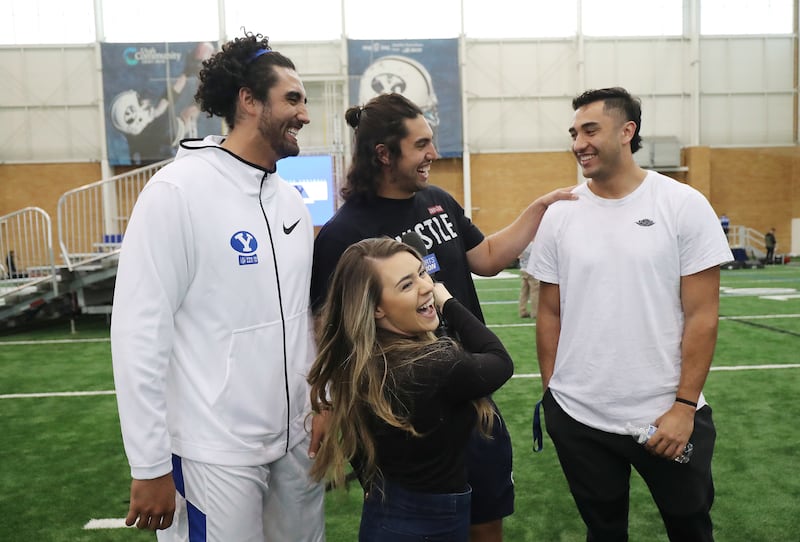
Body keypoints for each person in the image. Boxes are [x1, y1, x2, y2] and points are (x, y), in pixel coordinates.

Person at [310, 92, 575, 542]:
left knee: (486, 518)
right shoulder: (345, 234)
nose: (433, 153)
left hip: (471, 393)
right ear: (384, 154)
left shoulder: (438, 200)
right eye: (421, 145)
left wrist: (539, 209)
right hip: (407, 420)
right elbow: (327, 329)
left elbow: (488, 257)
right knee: (419, 524)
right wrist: (328, 404)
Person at [110, 31, 325, 541]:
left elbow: (306, 318)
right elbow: (139, 334)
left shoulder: (291, 201)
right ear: (248, 102)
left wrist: (326, 400)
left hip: (295, 443)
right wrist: (149, 462)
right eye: (293, 99)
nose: (305, 114)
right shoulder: (177, 192)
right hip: (214, 451)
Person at [529, 87, 733, 541]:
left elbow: (703, 315)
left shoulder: (682, 204)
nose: (578, 142)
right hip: (579, 417)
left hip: (666, 417)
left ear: (627, 132)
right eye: (574, 132)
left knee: (690, 528)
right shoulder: (561, 213)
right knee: (603, 532)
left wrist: (683, 407)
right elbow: (550, 311)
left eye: (590, 130)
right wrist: (553, 396)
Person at [308, 237, 514, 541]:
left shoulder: (364, 359)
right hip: (426, 523)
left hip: (388, 509)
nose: (426, 286)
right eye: (406, 285)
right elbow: (499, 361)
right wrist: (449, 303)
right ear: (376, 308)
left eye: (422, 273)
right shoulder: (433, 367)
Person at [517, 242, 538, 318]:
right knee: (535, 293)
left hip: (523, 269)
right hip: (531, 271)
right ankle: (535, 313)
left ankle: (522, 311)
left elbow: (518, 256)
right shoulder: (532, 246)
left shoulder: (522, 245)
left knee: (524, 293)